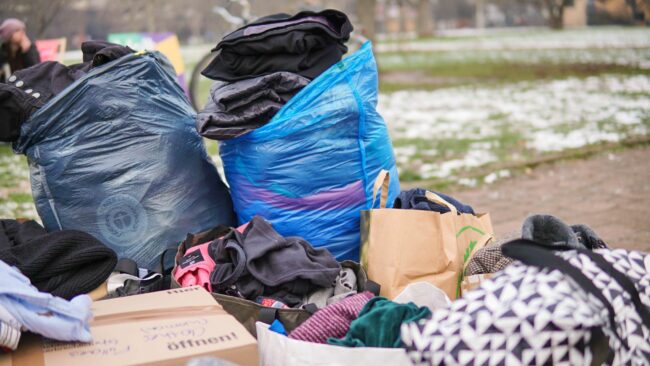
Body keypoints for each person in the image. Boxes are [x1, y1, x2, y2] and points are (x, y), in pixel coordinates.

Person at [0, 19, 40, 83]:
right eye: (17, 30)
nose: (22, 32)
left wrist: (28, 51)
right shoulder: (3, 52)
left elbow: (37, 71)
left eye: (23, 29)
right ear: (9, 35)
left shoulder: (30, 49)